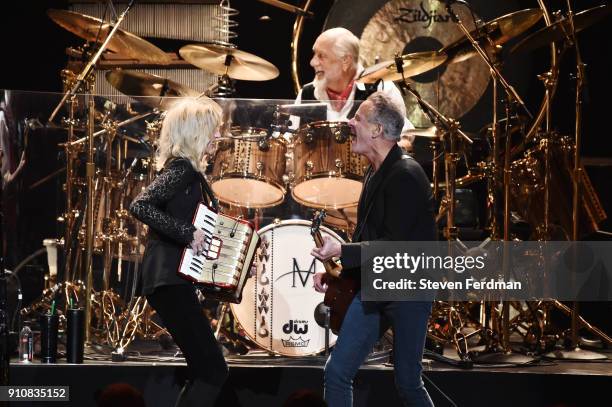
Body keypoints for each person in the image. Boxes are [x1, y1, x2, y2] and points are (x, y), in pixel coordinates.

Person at [311, 92, 436, 407]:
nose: (351, 123)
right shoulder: (374, 171)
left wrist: (342, 249)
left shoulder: (406, 174)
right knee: (337, 371)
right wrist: (341, 275)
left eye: (359, 119)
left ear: (378, 130)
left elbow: (394, 246)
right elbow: (369, 234)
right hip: (374, 287)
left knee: (408, 382)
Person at [129, 98, 228, 407]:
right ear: (196, 132)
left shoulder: (190, 172)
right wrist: (188, 233)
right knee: (212, 370)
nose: (217, 137)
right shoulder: (182, 168)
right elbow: (140, 205)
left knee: (206, 369)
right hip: (167, 281)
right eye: (213, 130)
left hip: (174, 281)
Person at [294, 27, 414, 137]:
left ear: (346, 60)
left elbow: (404, 138)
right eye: (314, 54)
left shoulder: (381, 89)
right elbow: (288, 142)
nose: (312, 62)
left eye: (321, 56)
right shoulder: (306, 94)